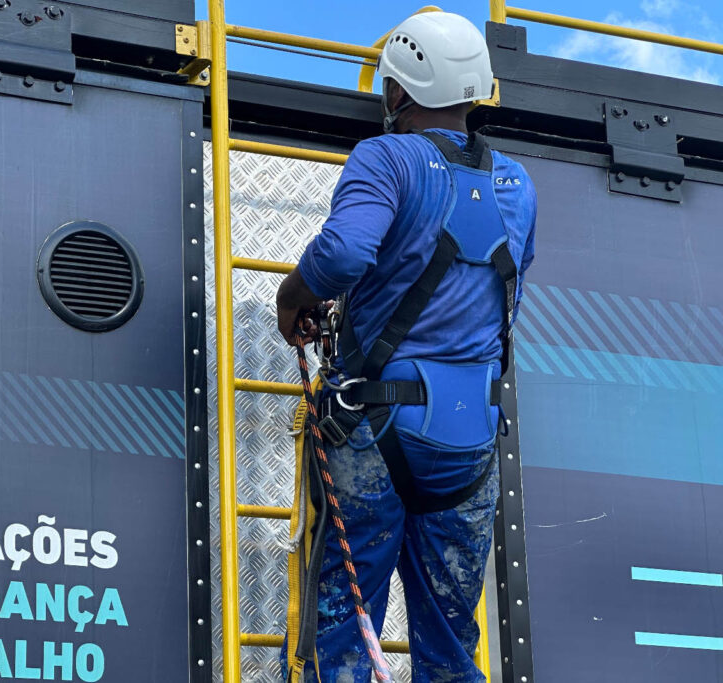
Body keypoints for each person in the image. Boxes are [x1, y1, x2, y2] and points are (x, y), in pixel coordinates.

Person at [275, 11, 537, 683]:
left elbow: (345, 252)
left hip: (374, 425)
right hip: (469, 439)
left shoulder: (386, 158)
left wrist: (292, 297)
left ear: (397, 90)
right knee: (451, 644)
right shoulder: (517, 185)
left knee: (342, 627)